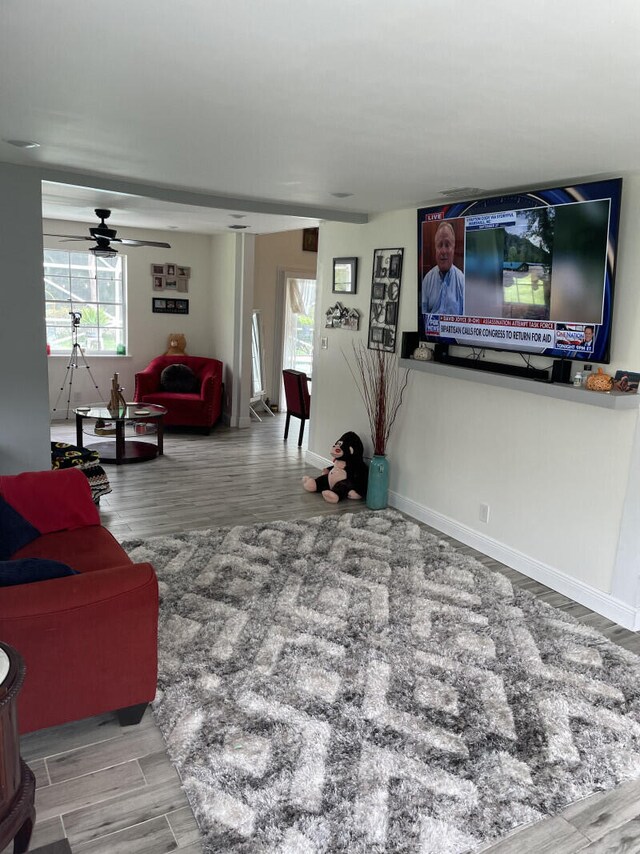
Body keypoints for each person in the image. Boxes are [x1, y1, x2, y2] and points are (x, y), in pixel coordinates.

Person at [421, 221, 465, 316]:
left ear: (453, 248)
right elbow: (422, 318)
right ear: (435, 249)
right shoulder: (427, 280)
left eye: (447, 245)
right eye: (440, 245)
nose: (443, 251)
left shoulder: (462, 281)